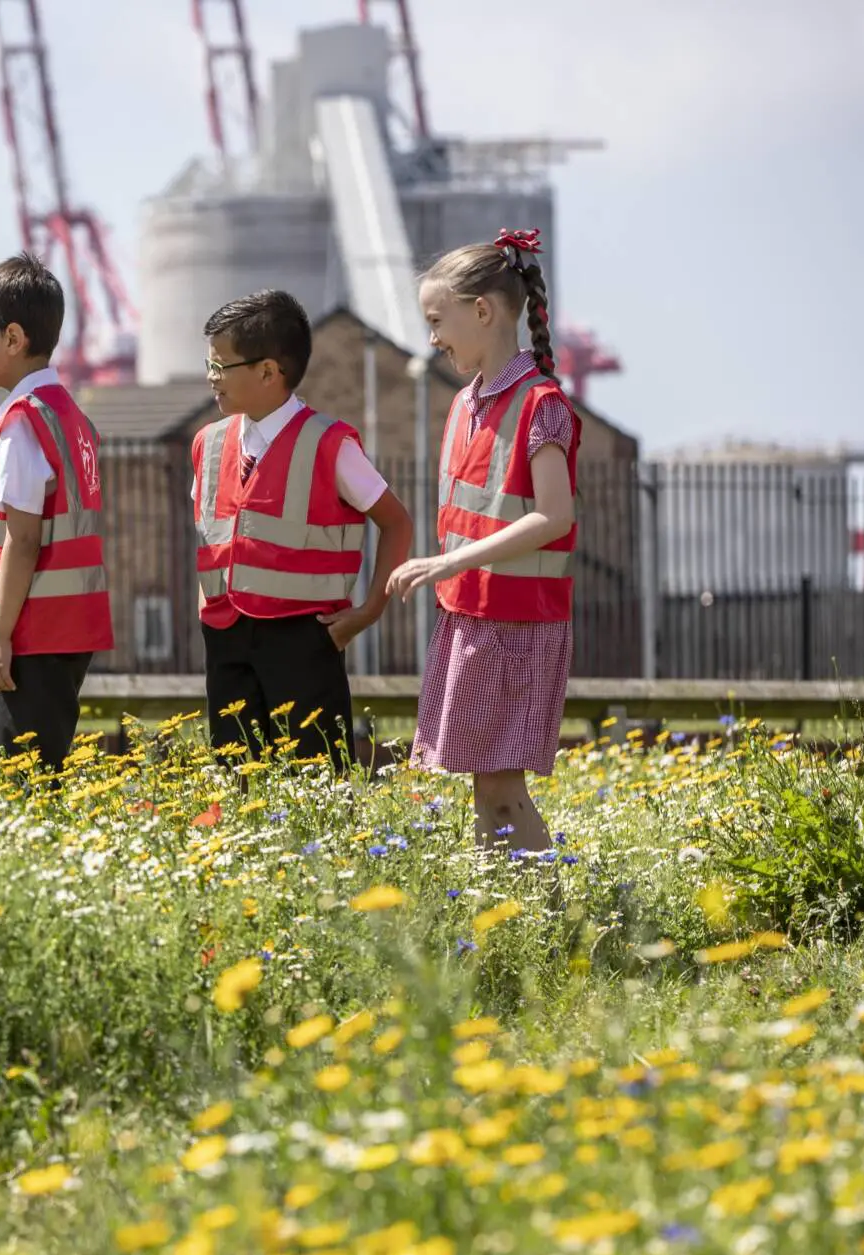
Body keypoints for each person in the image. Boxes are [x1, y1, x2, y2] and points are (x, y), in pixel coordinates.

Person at [387, 229, 577, 851]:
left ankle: (543, 926)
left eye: (437, 320)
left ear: (484, 311)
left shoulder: (540, 403)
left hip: (518, 624)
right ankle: (504, 919)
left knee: (500, 788)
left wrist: (448, 562)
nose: (433, 337)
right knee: (485, 787)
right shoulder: (467, 401)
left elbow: (554, 516)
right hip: (473, 615)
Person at [191, 289, 414, 771]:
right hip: (226, 639)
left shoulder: (330, 444)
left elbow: (396, 522)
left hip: (305, 641)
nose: (211, 378)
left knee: (314, 777)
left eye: (220, 366)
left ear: (268, 372)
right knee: (235, 779)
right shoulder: (207, 443)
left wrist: (368, 611)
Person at [0, 252, 113, 770]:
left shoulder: (22, 422)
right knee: (40, 771)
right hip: (67, 628)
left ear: (13, 338)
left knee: (24, 781)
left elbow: (23, 538)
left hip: (30, 636)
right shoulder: (69, 414)